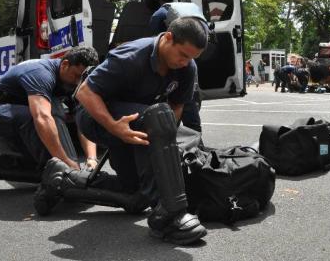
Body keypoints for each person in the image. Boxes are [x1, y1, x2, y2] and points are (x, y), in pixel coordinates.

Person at [42, 17, 209, 245]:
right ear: (168, 38)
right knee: (157, 117)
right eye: (183, 54)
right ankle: (169, 215)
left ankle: (62, 179)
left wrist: (165, 140)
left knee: (135, 194)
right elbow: (85, 93)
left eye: (192, 58)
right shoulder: (131, 56)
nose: (185, 62)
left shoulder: (187, 67)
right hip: (94, 117)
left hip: (135, 121)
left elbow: (177, 107)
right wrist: (114, 127)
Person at [0, 47, 99, 175]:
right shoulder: (41, 74)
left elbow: (82, 121)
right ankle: (59, 171)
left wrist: (92, 158)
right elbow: (42, 117)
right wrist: (66, 163)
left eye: (82, 79)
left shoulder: (75, 81)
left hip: (21, 108)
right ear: (65, 65)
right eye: (76, 76)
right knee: (52, 160)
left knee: (44, 164)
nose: (78, 82)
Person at [149, 2, 211, 132]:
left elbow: (155, 42)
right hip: (187, 65)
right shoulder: (196, 15)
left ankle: (181, 134)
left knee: (184, 99)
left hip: (175, 64)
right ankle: (195, 138)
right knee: (189, 104)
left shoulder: (159, 14)